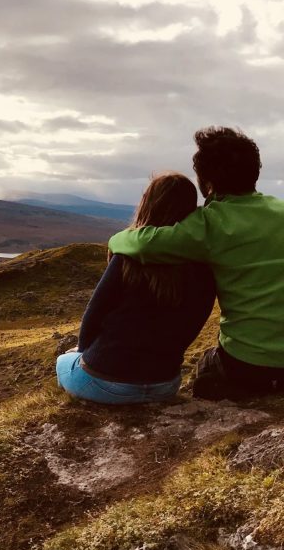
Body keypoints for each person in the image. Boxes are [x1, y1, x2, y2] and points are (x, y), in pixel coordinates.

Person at [109, 127, 284, 399]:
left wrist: (117, 239)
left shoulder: (208, 224)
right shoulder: (280, 210)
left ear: (207, 184)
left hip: (248, 361)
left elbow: (143, 243)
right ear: (255, 173)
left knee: (205, 369)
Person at [57, 172, 216, 404]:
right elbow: (196, 321)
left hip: (105, 382)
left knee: (64, 360)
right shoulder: (204, 266)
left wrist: (84, 352)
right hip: (165, 384)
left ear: (148, 204)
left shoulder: (127, 258)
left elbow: (93, 315)